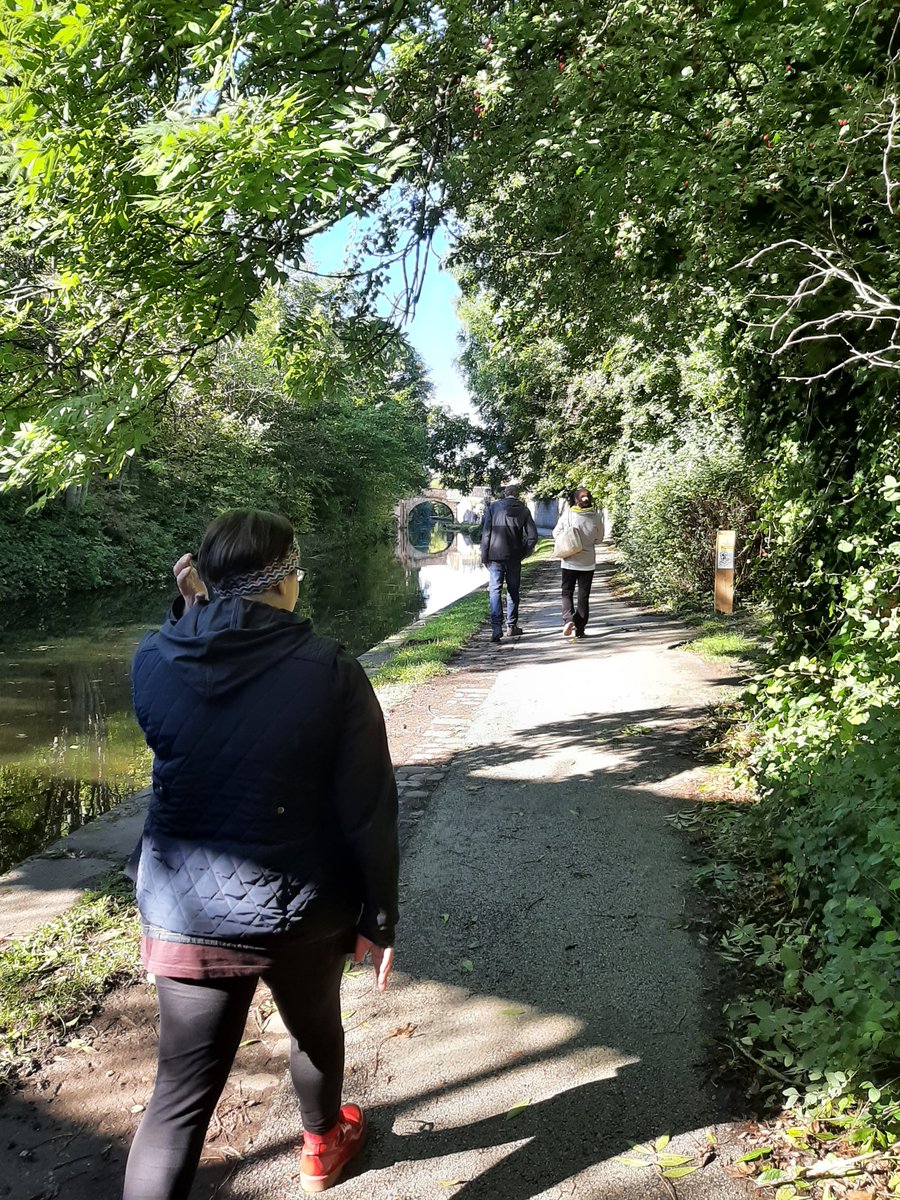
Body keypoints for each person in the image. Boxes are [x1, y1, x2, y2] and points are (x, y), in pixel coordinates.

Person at [123, 509, 398, 1200]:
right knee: (313, 1029)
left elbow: (189, 716)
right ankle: (322, 1148)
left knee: (178, 1097)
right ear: (281, 582)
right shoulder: (331, 671)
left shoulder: (153, 659)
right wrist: (380, 917)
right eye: (297, 570)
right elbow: (368, 806)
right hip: (300, 909)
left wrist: (186, 615)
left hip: (183, 910)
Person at [480, 484, 538, 643]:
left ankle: (496, 628)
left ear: (505, 494)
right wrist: (523, 552)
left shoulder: (493, 507)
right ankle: (512, 626)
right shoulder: (524, 511)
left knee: (495, 590)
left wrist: (484, 556)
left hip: (494, 556)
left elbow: (486, 534)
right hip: (514, 557)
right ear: (517, 495)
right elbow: (533, 537)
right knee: (513, 590)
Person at [552, 487, 605, 639]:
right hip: (588, 562)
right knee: (583, 596)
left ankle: (568, 619)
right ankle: (580, 629)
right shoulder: (596, 517)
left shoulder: (568, 515)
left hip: (569, 560)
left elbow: (555, 533)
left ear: (575, 500)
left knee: (567, 592)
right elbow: (599, 539)